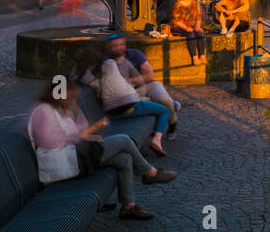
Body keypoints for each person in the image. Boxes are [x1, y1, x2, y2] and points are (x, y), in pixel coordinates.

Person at [27, 76, 176, 221]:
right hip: (64, 162)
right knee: (123, 140)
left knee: (124, 159)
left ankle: (129, 206)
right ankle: (150, 173)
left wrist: (81, 125)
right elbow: (49, 141)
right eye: (70, 96)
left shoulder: (59, 109)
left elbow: (80, 129)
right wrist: (77, 136)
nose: (71, 99)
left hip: (75, 156)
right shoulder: (44, 111)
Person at [83, 49, 171, 156]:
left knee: (144, 101)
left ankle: (170, 104)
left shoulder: (88, 76)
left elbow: (83, 79)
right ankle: (156, 140)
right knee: (164, 111)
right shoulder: (110, 63)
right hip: (129, 108)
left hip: (112, 112)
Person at [97, 32, 182, 135]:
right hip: (129, 94)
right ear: (109, 48)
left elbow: (150, 76)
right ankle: (171, 107)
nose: (119, 48)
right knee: (150, 103)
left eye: (121, 44)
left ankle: (172, 123)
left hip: (147, 86)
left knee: (164, 99)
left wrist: (128, 82)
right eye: (115, 46)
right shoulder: (107, 63)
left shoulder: (134, 54)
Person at [171, 0, 207, 65]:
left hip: (192, 26)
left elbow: (198, 17)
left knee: (200, 32)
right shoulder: (178, 4)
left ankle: (202, 55)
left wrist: (198, 26)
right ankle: (194, 57)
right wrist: (186, 28)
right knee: (191, 34)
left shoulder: (195, 4)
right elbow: (176, 20)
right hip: (180, 27)